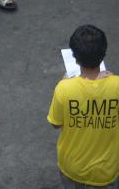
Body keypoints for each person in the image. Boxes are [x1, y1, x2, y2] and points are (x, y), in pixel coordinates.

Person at [47, 25, 119, 189]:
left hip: (73, 166)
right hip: (107, 168)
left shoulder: (64, 88)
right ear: (104, 53)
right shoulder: (117, 85)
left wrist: (62, 82)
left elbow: (55, 123)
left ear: (74, 57)